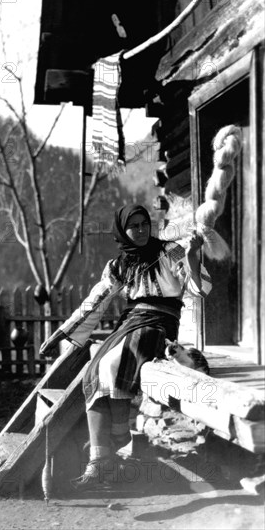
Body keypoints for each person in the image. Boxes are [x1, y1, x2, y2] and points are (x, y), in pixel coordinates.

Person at [39, 204, 212, 491]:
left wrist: (193, 255)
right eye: (134, 226)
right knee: (93, 371)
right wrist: (60, 334)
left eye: (145, 223)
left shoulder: (172, 250)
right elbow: (95, 302)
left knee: (112, 365)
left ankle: (117, 436)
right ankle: (99, 460)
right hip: (130, 322)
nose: (141, 230)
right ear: (123, 231)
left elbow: (201, 288)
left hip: (159, 323)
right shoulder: (119, 266)